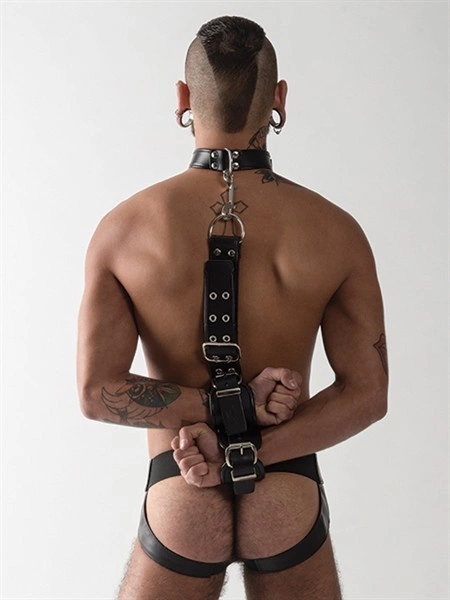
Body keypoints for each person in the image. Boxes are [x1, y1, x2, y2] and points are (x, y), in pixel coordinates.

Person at [76, 15, 388, 600]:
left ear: (183, 98)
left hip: (182, 482)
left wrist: (213, 422)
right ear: (279, 99)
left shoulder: (124, 229)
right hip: (286, 485)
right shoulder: (336, 231)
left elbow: (97, 393)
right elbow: (368, 395)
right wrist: (250, 440)